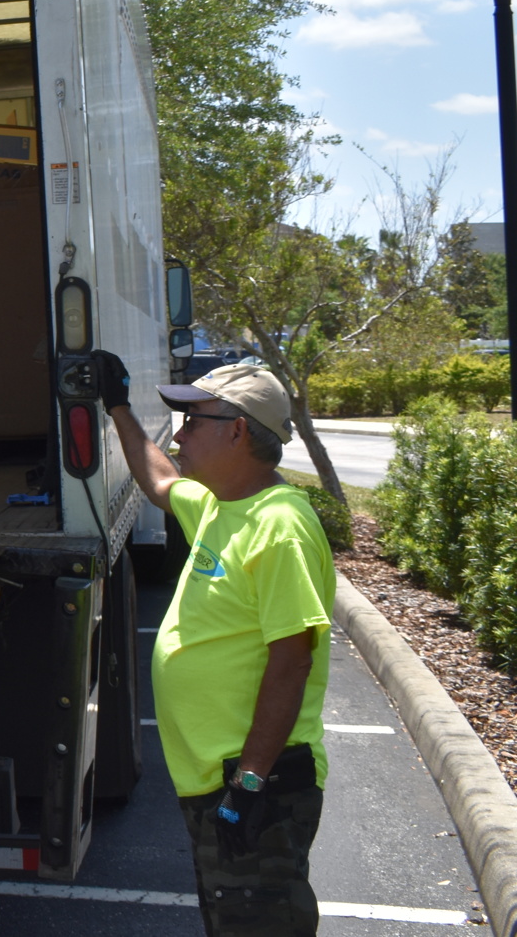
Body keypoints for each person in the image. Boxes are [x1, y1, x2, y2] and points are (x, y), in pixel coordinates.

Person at [94, 352, 334, 936]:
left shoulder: (278, 525)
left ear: (237, 431)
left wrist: (249, 783)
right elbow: (159, 482)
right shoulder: (219, 505)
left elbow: (292, 661)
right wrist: (117, 407)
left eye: (193, 420)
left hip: (257, 786)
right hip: (216, 780)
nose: (179, 434)